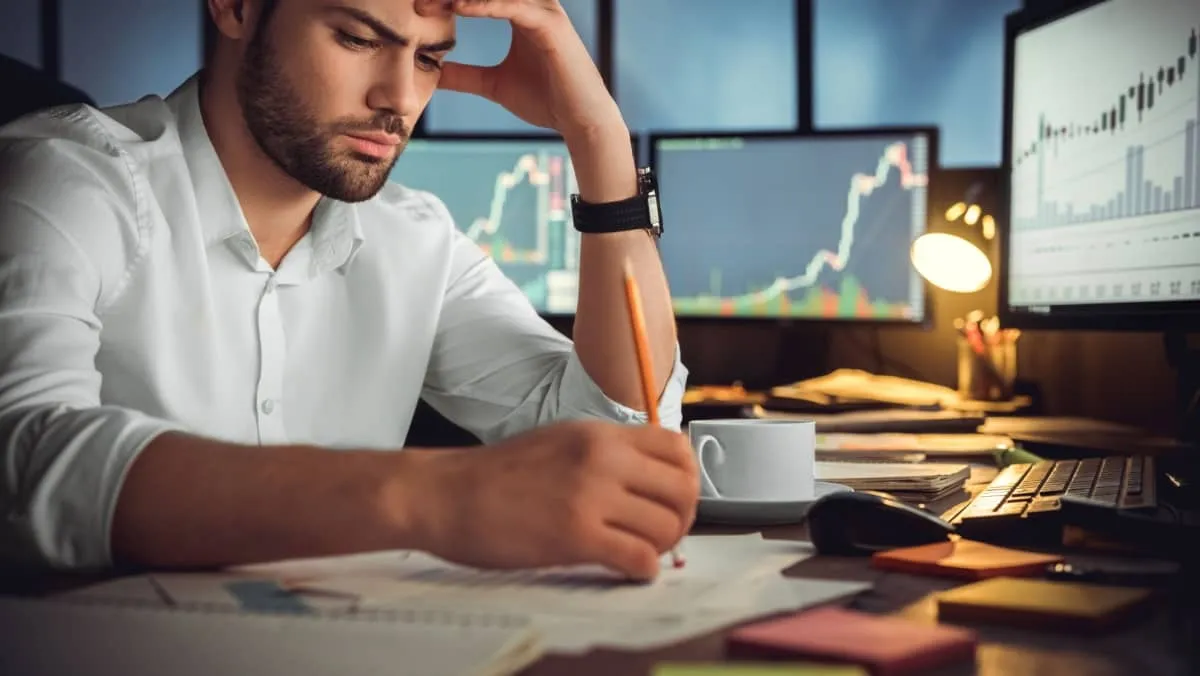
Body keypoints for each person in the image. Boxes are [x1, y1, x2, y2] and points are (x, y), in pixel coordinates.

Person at [0, 0, 697, 581]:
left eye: (428, 58)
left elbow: (616, 442)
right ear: (236, 8)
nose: (399, 100)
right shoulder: (67, 179)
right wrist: (433, 498)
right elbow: (24, 464)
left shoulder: (415, 239)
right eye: (358, 38)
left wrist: (598, 138)